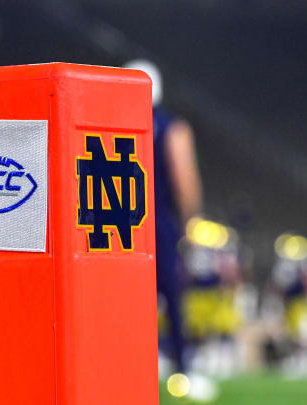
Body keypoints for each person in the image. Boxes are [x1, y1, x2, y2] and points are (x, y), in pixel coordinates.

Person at [124, 60, 203, 374]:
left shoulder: (110, 123)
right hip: (158, 221)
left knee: (126, 296)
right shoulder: (171, 126)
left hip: (119, 223)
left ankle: (129, 358)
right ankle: (180, 362)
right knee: (171, 292)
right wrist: (189, 219)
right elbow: (183, 178)